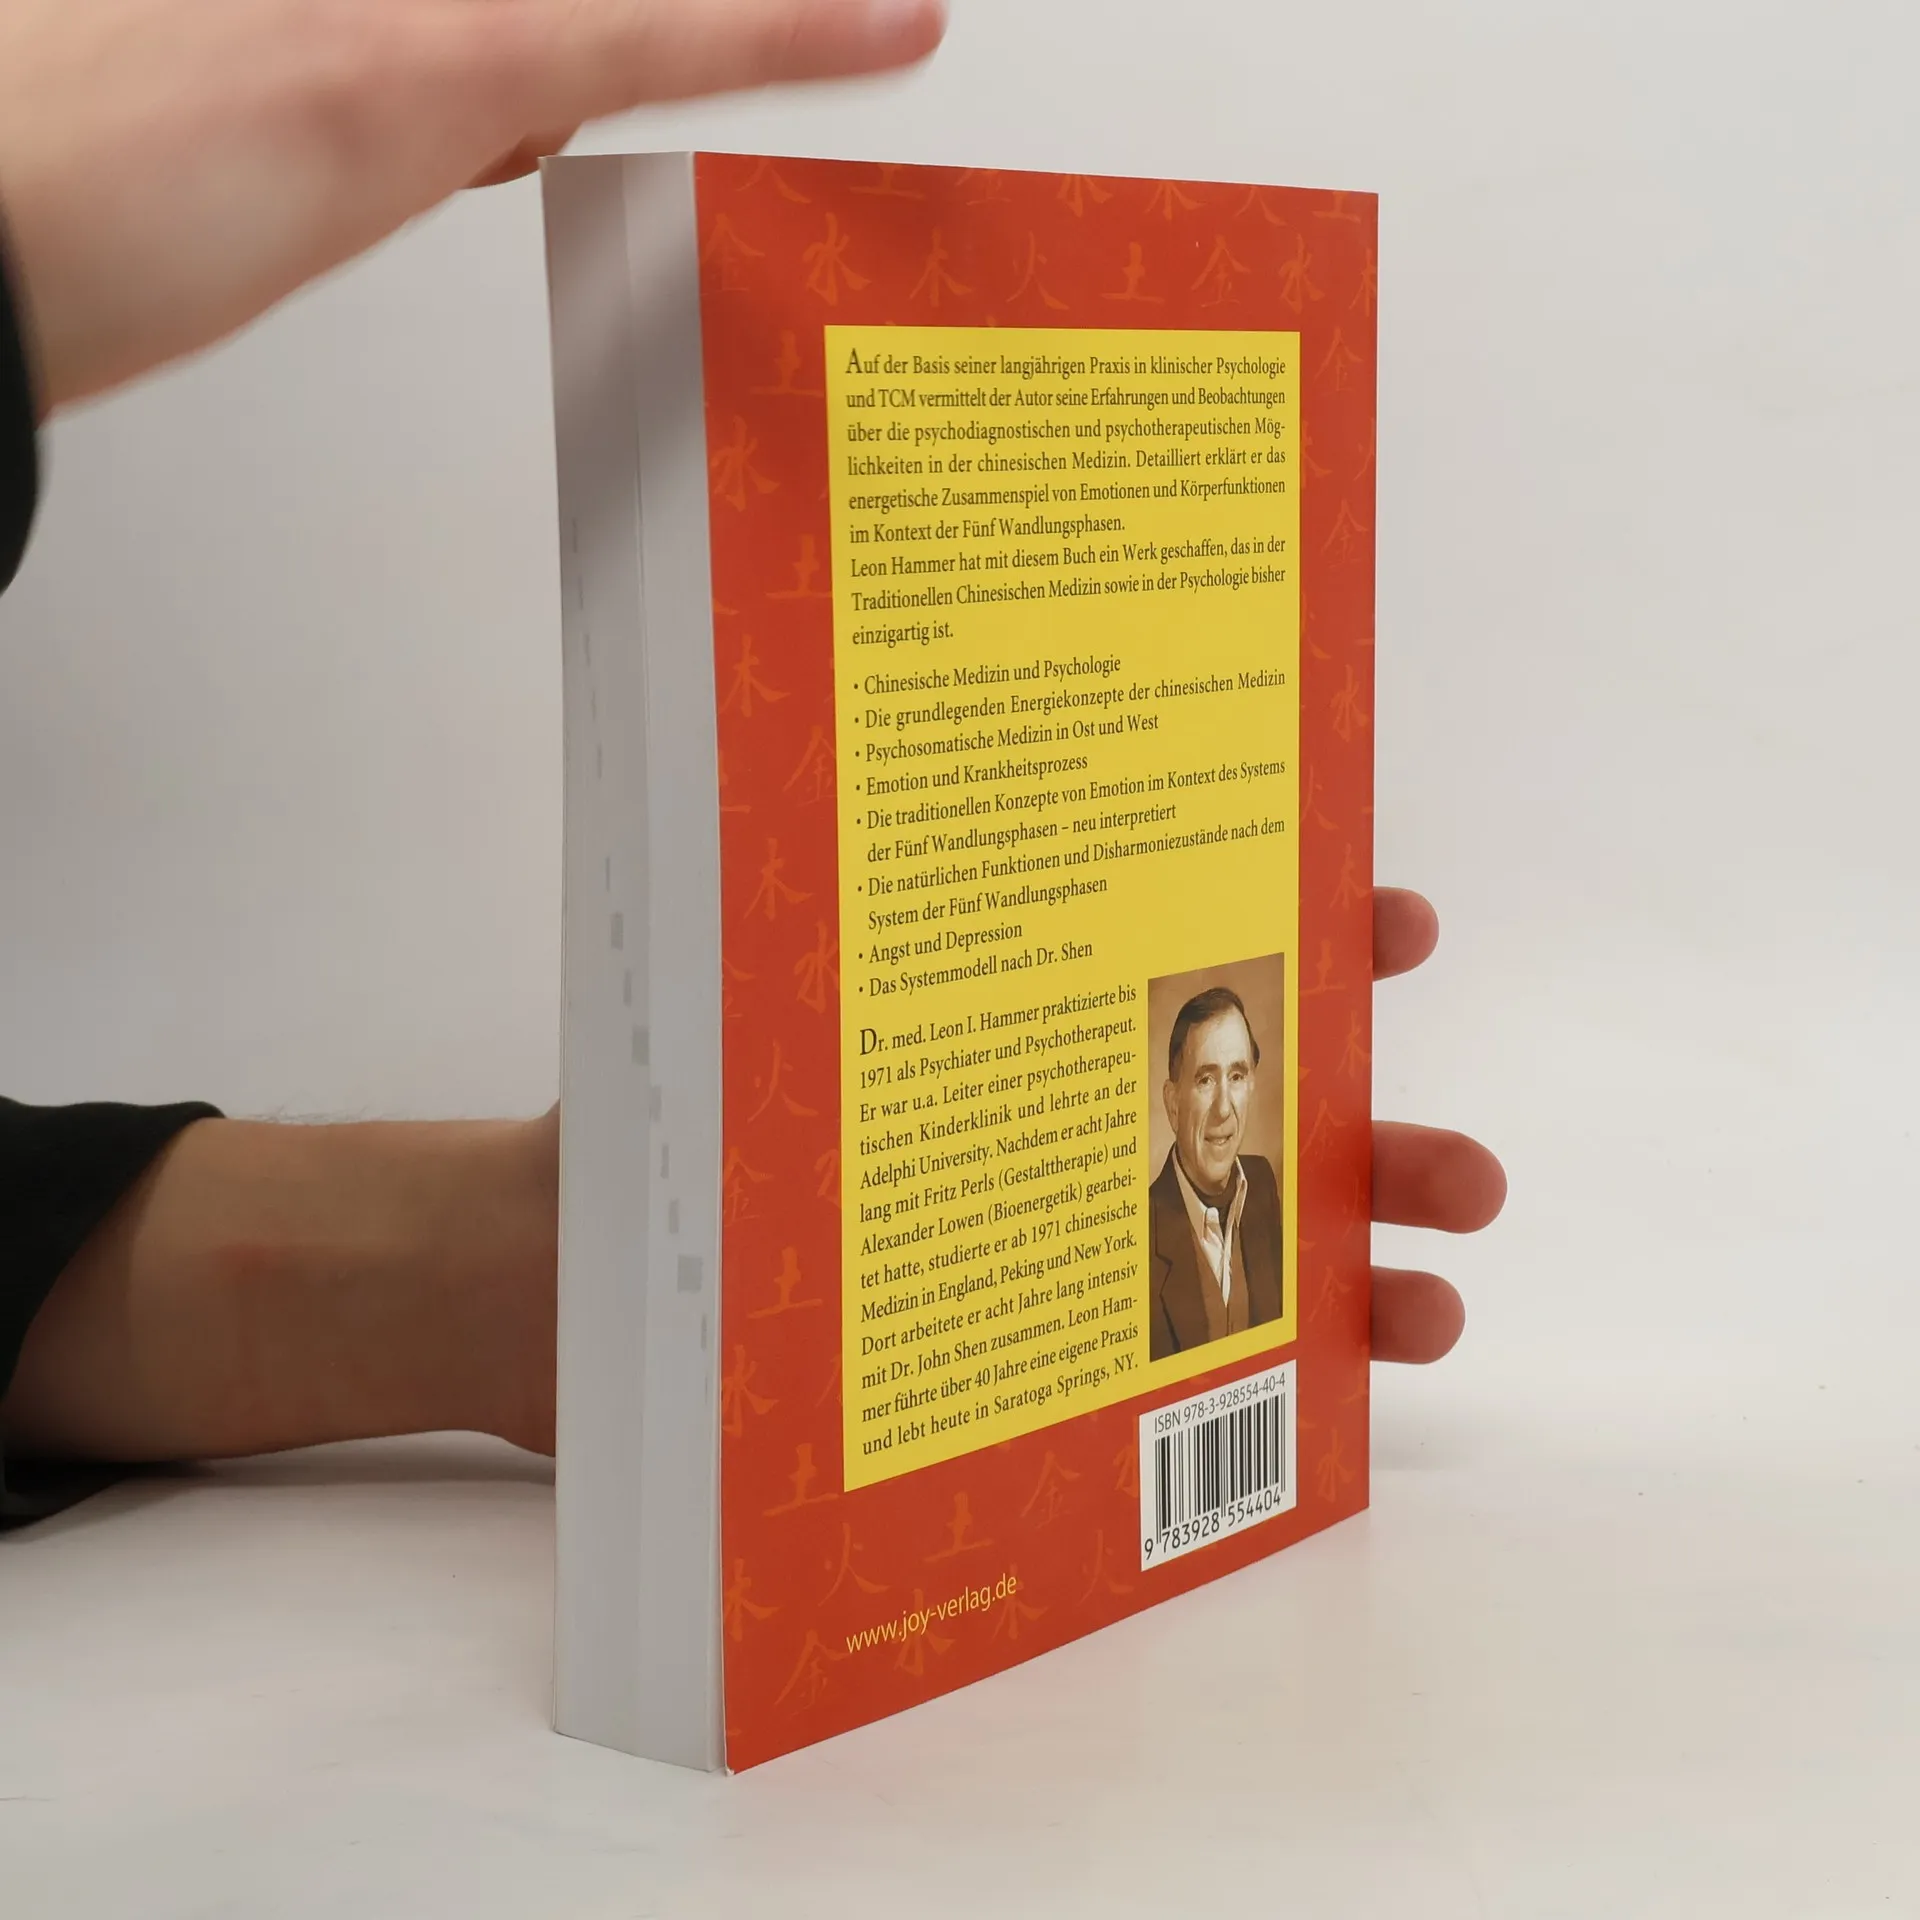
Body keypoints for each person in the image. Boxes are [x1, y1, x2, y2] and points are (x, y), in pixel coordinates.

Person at [0, 0, 1507, 1526]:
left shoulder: (1241, 1218)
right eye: (1212, 1073)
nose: (1230, 1104)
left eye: (1240, 1073)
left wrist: (511, 1272)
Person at [1149, 986, 1281, 1359]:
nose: (1224, 1109)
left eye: (1236, 1076)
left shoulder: (1262, 1184)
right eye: (1205, 1080)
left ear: (1251, 1086)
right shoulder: (1140, 1230)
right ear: (1173, 1104)